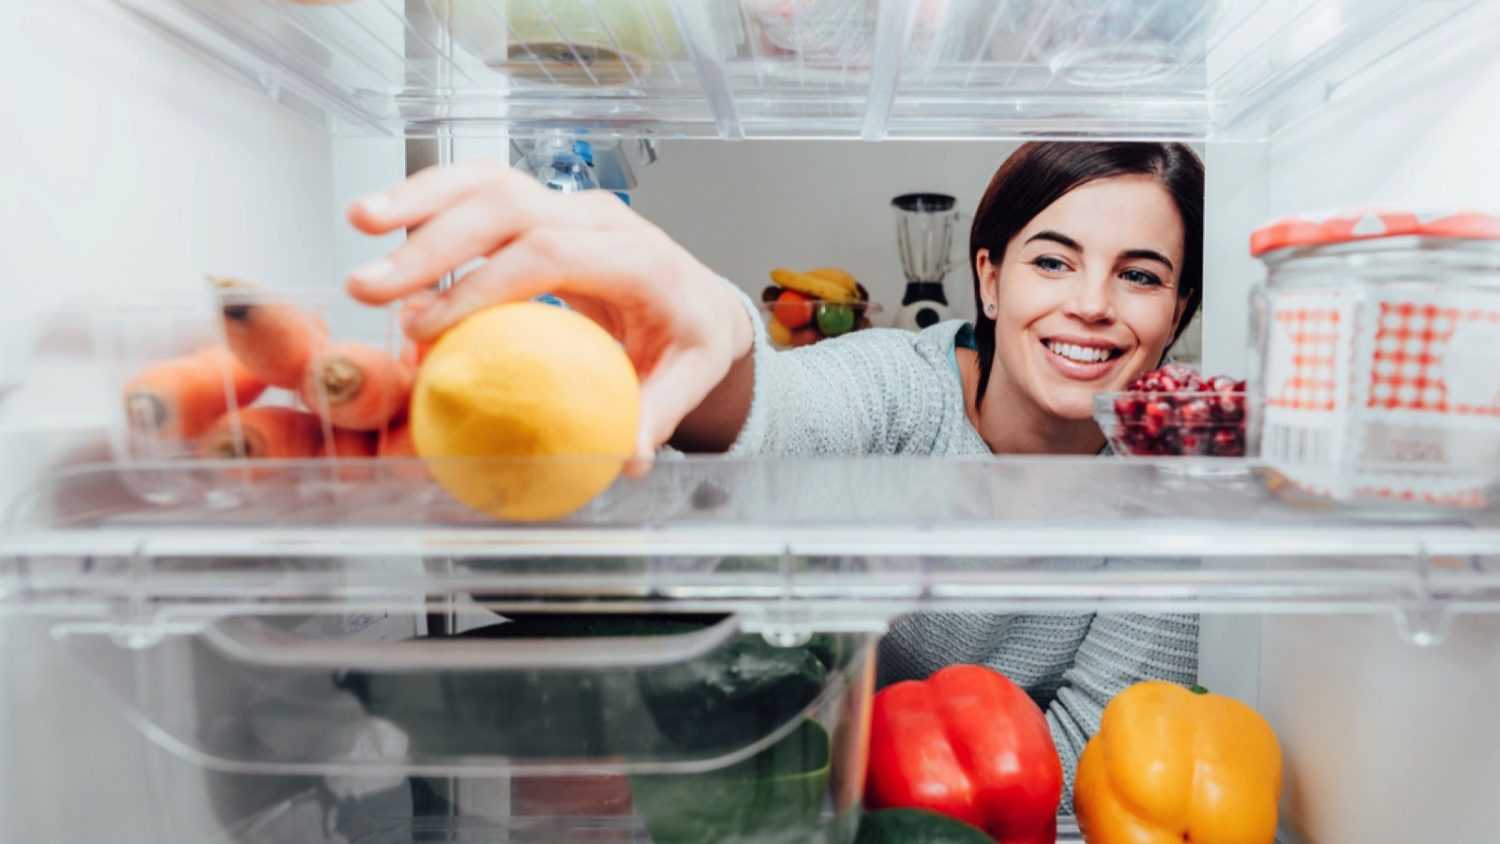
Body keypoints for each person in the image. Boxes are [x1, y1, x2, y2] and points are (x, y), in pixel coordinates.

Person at [345, 141, 1203, 803]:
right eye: (1052, 260)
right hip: (774, 767)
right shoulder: (903, 383)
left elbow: (1109, 750)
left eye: (1139, 275)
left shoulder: (1166, 489)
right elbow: (784, 409)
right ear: (988, 277)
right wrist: (714, 334)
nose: (1091, 302)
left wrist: (854, 778)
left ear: (1179, 315)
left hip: (944, 809)